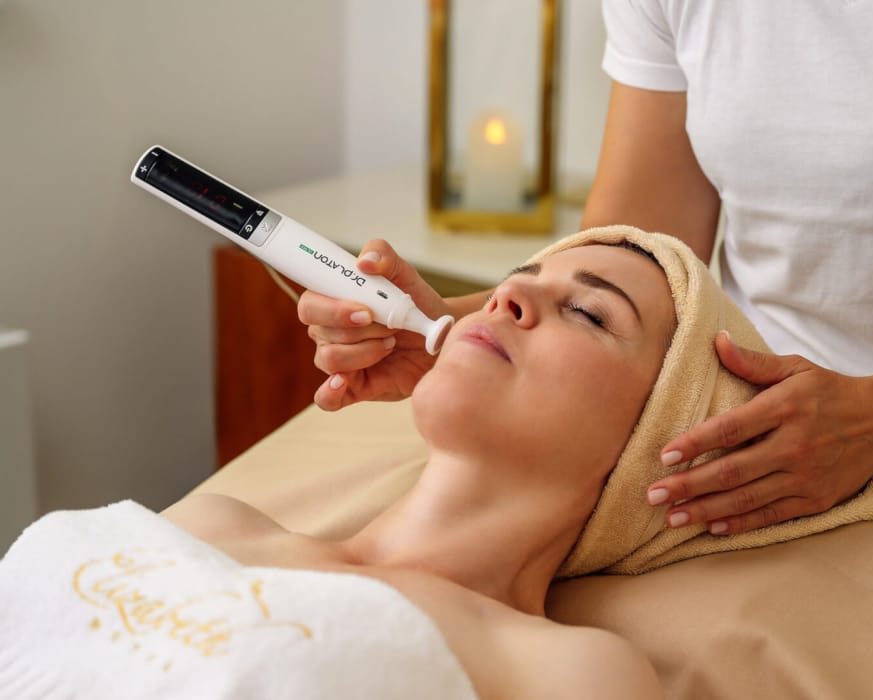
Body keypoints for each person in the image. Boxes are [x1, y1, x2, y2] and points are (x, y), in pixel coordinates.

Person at [301, 0, 873, 538]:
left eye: (588, 316)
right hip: (720, 439)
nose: (508, 300)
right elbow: (640, 252)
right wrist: (453, 324)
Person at [2, 235, 673, 698]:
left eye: (588, 313)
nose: (504, 299)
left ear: (662, 434)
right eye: (515, 280)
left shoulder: (569, 671)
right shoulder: (211, 521)